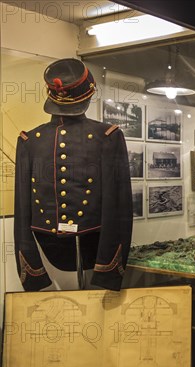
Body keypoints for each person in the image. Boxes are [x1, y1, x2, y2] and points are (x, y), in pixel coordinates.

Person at [14, 58, 133, 291]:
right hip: (52, 242)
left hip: (92, 238)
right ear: (89, 93)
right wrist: (31, 268)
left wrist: (109, 265)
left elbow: (117, 208)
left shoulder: (107, 136)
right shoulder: (29, 141)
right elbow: (23, 209)